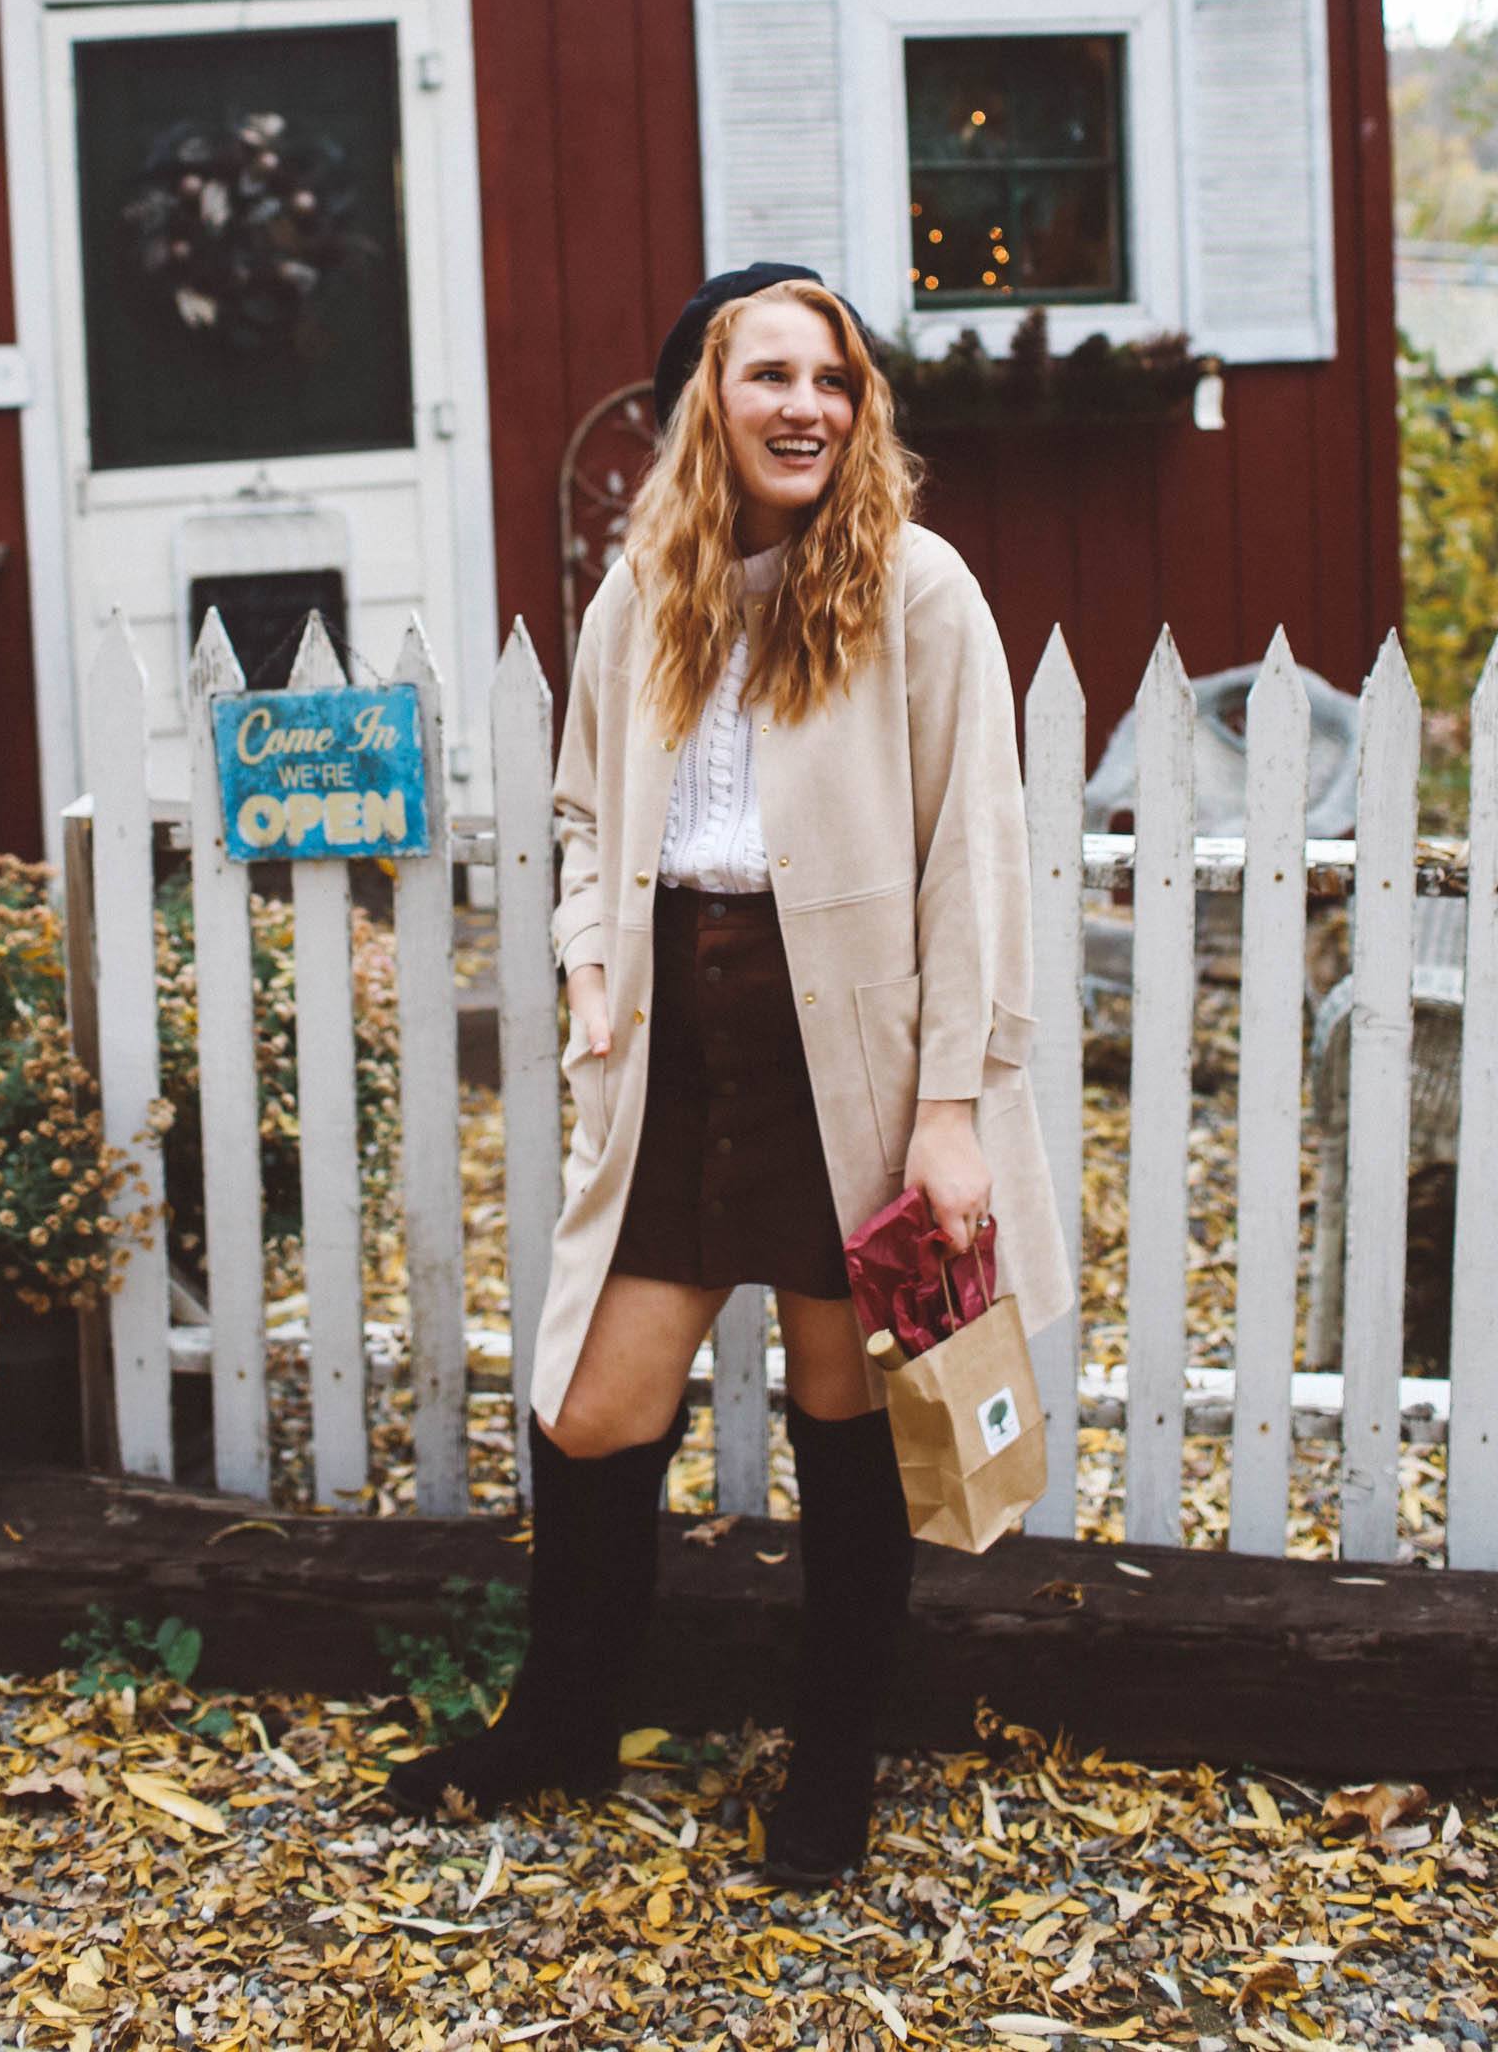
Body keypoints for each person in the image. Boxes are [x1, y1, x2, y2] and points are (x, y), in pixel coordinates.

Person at [382, 263, 1071, 1881]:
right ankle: (563, 1721)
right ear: (706, 398)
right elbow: (575, 814)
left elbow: (975, 858)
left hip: (853, 1061)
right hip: (674, 1059)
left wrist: (953, 1112)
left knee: (851, 1422)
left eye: (832, 379)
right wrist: (591, 954)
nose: (805, 407)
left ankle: (832, 1773)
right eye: (770, 375)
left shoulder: (919, 592)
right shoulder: (646, 591)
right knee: (597, 1403)